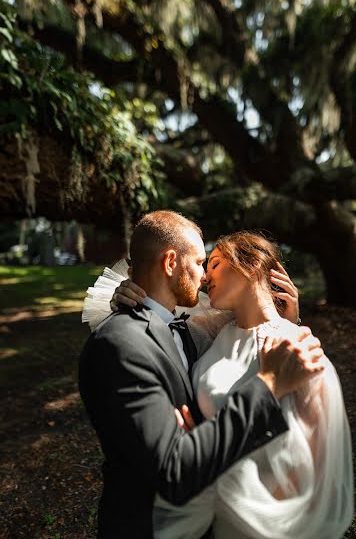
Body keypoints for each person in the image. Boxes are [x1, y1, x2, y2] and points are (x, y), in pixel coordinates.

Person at [79, 211, 324, 539]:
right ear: (170, 263)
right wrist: (269, 386)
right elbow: (173, 470)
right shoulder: (121, 344)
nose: (204, 277)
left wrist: (285, 325)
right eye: (199, 262)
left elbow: (247, 345)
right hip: (150, 525)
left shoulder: (194, 330)